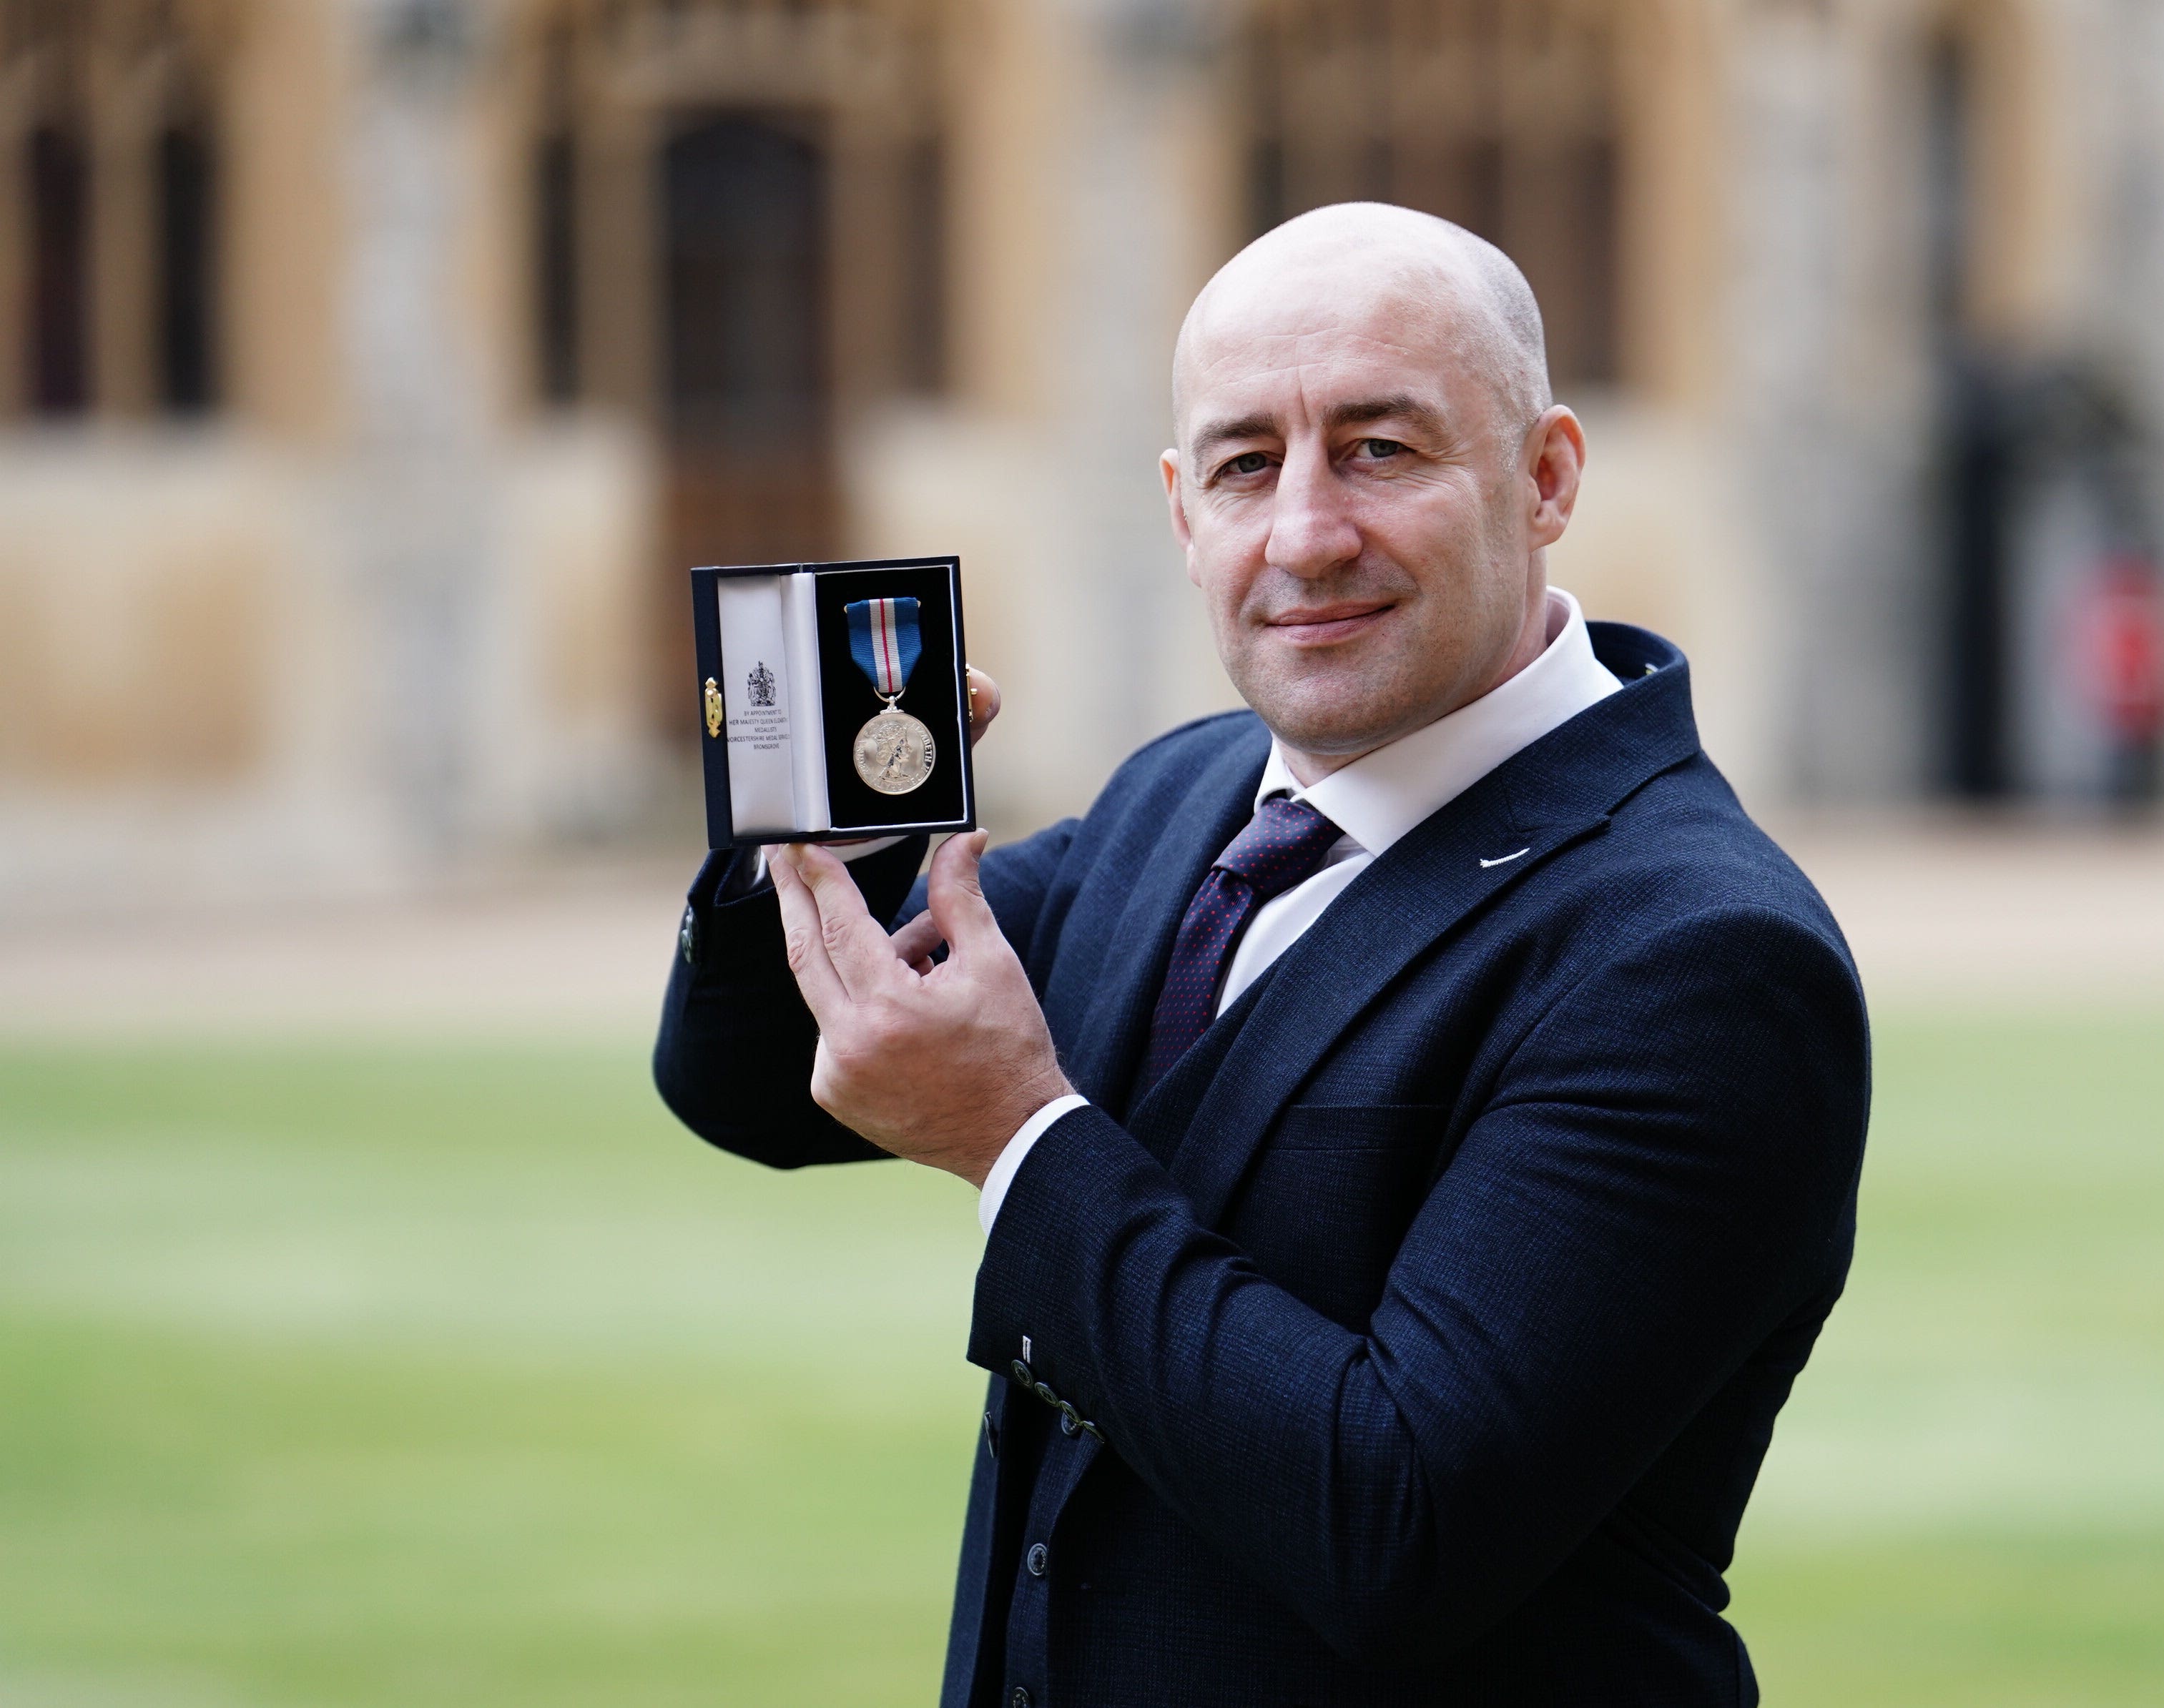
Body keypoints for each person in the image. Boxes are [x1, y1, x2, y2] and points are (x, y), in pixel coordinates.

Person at [654, 202, 1868, 1707]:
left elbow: (1398, 1525)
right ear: (1182, 511)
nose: (1303, 533)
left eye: (1379, 449)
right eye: (1246, 465)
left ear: (1545, 475)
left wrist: (1018, 1145)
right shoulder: (1184, 795)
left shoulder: (1698, 954)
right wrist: (811, 841)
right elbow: (747, 1084)